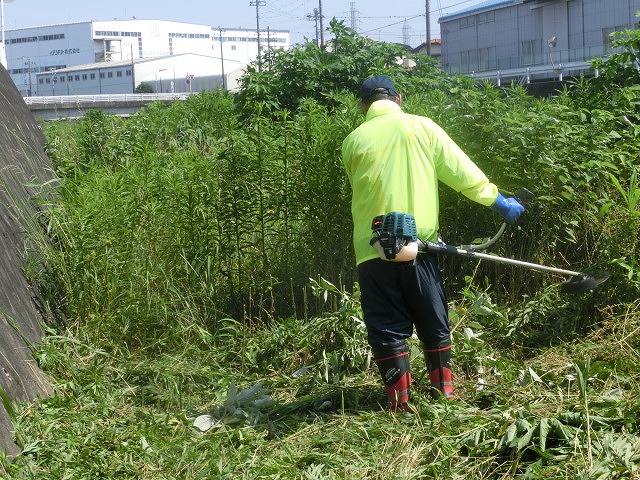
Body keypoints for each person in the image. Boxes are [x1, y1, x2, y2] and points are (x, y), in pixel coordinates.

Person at [341, 75, 524, 411]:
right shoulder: (422, 127)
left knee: (385, 324)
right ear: (399, 98)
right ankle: (445, 395)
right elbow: (461, 171)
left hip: (371, 249)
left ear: (363, 106)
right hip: (419, 245)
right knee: (431, 317)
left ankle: (398, 403)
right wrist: (497, 200)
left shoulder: (352, 141)